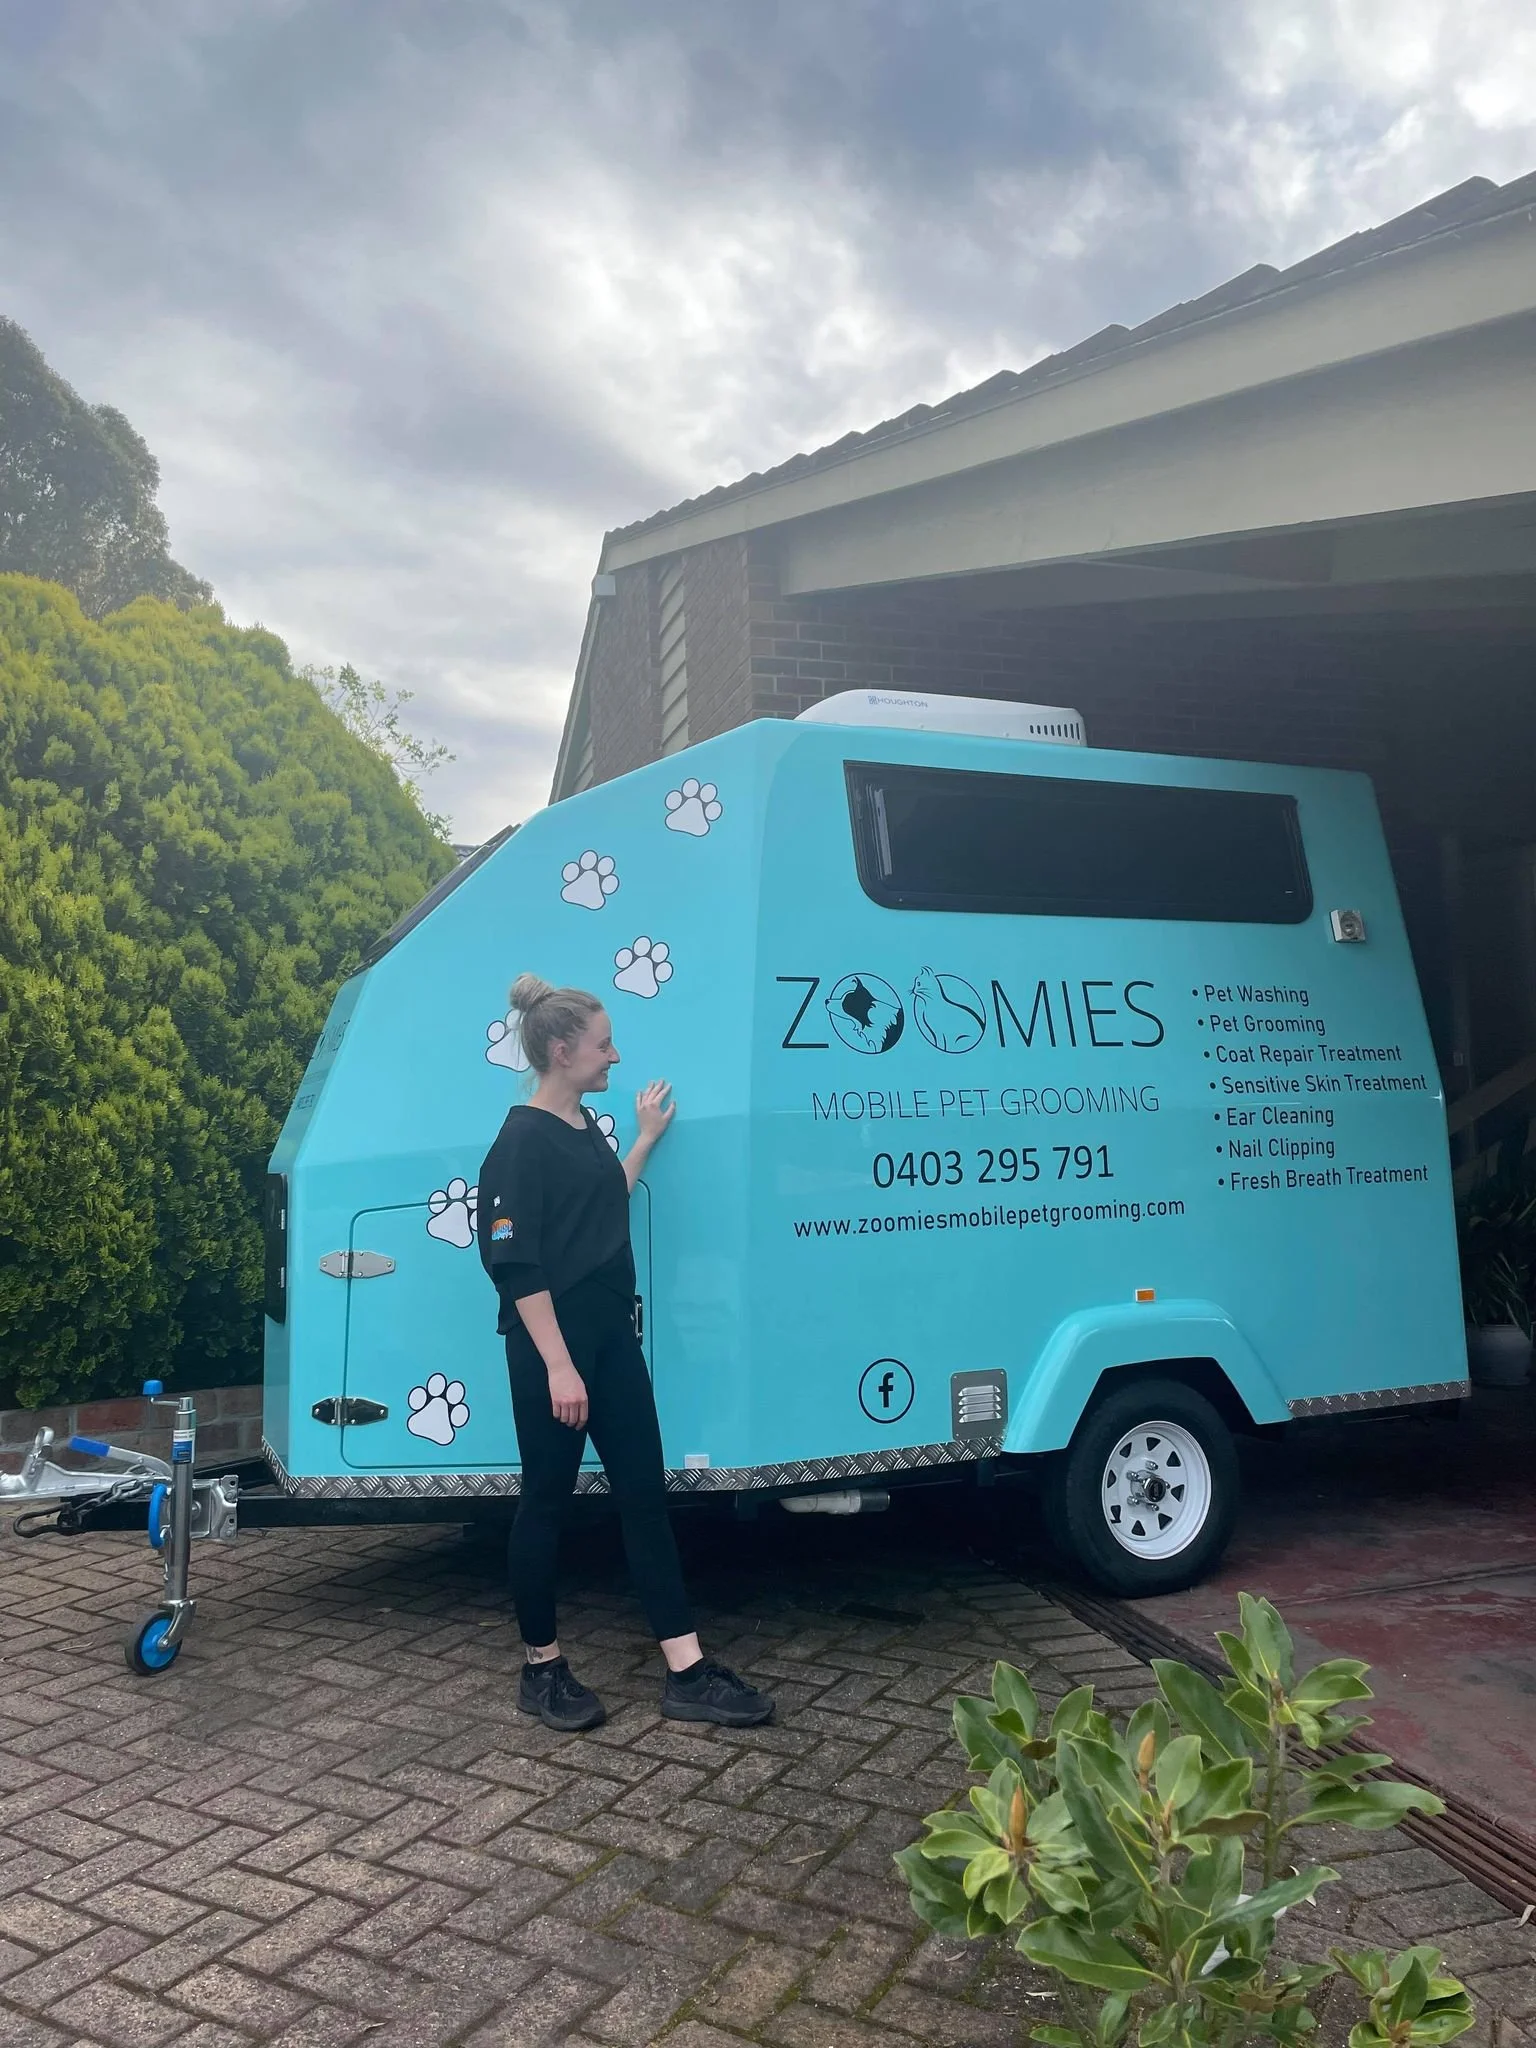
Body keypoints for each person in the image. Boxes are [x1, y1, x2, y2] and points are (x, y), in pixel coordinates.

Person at [477, 974, 775, 1734]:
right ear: (560, 1049)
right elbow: (515, 1264)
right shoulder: (518, 1141)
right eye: (604, 1044)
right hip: (555, 1353)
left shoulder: (584, 1129)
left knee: (644, 1496)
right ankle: (541, 1669)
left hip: (612, 1343)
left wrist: (643, 1136)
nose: (616, 1055)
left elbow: (607, 1201)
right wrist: (558, 1364)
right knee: (546, 1501)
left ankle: (687, 1671)